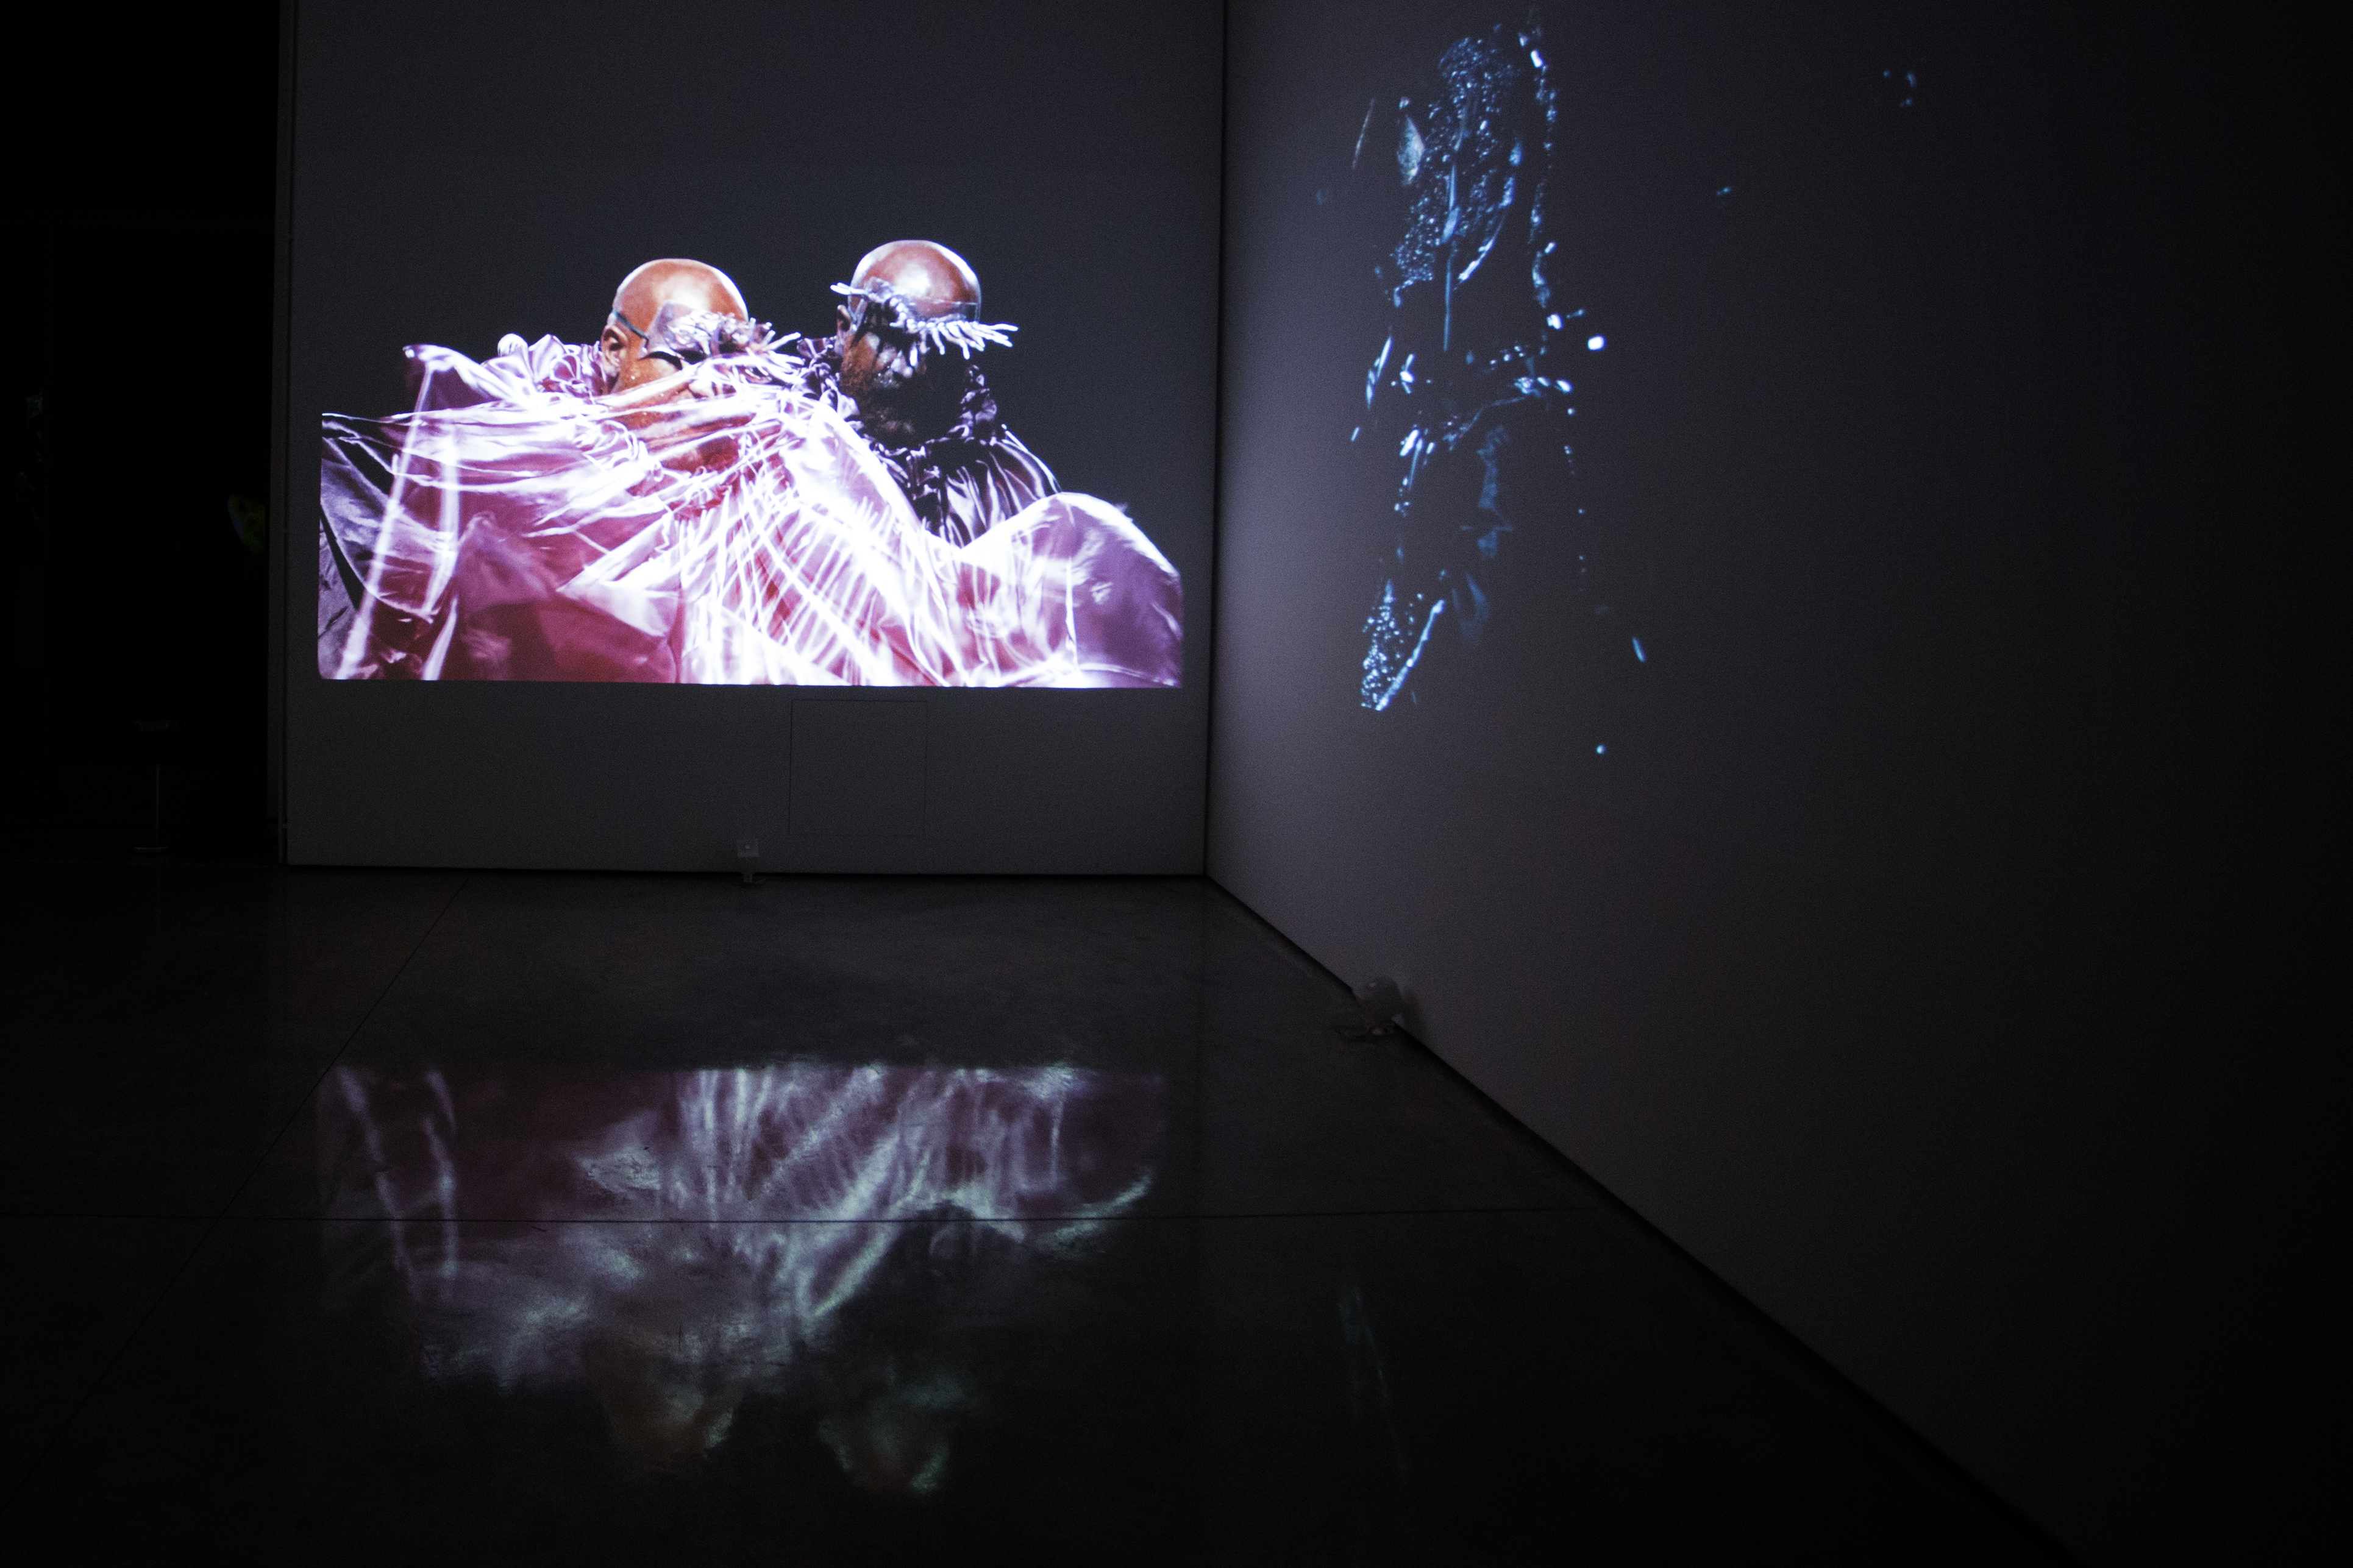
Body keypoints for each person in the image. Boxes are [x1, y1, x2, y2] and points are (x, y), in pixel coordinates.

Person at [783, 240, 1058, 547]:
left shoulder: (1016, 492)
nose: (911, 371)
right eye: (892, 340)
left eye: (940, 351)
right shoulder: (775, 429)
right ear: (845, 328)